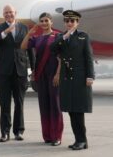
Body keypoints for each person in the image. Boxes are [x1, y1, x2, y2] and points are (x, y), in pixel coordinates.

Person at [51, 10, 94, 150]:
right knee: (70, 110)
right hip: (67, 79)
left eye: (72, 21)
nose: (69, 23)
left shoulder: (83, 37)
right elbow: (52, 49)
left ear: (77, 22)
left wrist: (90, 76)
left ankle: (81, 140)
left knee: (78, 110)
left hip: (80, 78)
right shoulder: (60, 37)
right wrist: (65, 36)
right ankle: (80, 140)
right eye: (67, 21)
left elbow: (88, 58)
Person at [0, 4, 31, 142]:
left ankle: (18, 131)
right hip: (4, 72)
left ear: (15, 13)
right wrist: (5, 32)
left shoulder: (24, 28)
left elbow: (29, 49)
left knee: (19, 102)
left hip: (20, 71)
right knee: (4, 103)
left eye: (11, 12)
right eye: (6, 13)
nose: (8, 14)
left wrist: (34, 68)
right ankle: (5, 132)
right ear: (3, 15)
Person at [21, 12, 63, 146]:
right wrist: (29, 33)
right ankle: (47, 136)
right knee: (44, 106)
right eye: (42, 21)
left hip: (53, 75)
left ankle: (57, 136)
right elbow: (22, 47)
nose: (44, 23)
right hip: (41, 75)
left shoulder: (57, 36)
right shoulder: (37, 38)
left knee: (55, 105)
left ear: (51, 22)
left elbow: (61, 57)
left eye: (46, 21)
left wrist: (58, 74)